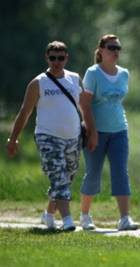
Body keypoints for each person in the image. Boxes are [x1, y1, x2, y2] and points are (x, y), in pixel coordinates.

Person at [6, 41, 83, 231]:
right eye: (53, 58)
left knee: (68, 177)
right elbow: (25, 113)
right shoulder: (38, 83)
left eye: (61, 58)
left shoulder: (75, 79)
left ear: (67, 58)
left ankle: (48, 214)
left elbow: (85, 108)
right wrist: (13, 138)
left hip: (73, 137)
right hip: (47, 137)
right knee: (59, 177)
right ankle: (67, 221)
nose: (57, 62)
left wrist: (92, 130)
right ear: (46, 58)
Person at [79, 34, 138, 231]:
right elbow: (85, 104)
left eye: (118, 47)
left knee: (121, 172)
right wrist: (92, 132)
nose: (115, 51)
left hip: (119, 130)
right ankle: (85, 215)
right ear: (101, 50)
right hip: (97, 131)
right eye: (111, 47)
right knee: (93, 173)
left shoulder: (123, 74)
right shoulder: (93, 73)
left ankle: (124, 218)